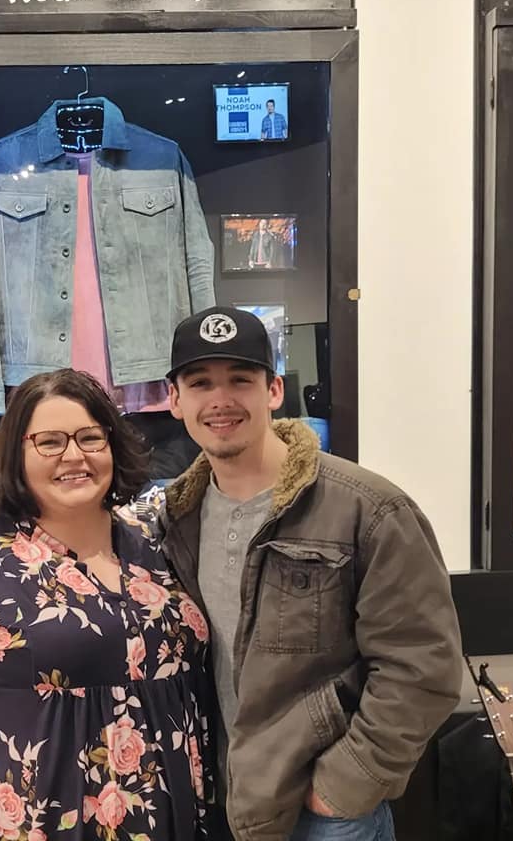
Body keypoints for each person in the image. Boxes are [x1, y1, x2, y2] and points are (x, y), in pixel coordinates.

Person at [161, 306, 463, 841]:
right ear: (175, 398)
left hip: (325, 817)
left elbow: (424, 666)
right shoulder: (176, 519)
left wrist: (345, 785)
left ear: (275, 390)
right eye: (200, 382)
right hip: (219, 806)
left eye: (241, 379)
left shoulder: (367, 509)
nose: (220, 400)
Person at [0, 369, 213, 841]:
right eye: (50, 442)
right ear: (16, 453)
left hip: (175, 818)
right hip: (39, 823)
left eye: (90, 438)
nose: (74, 456)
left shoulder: (161, 548)